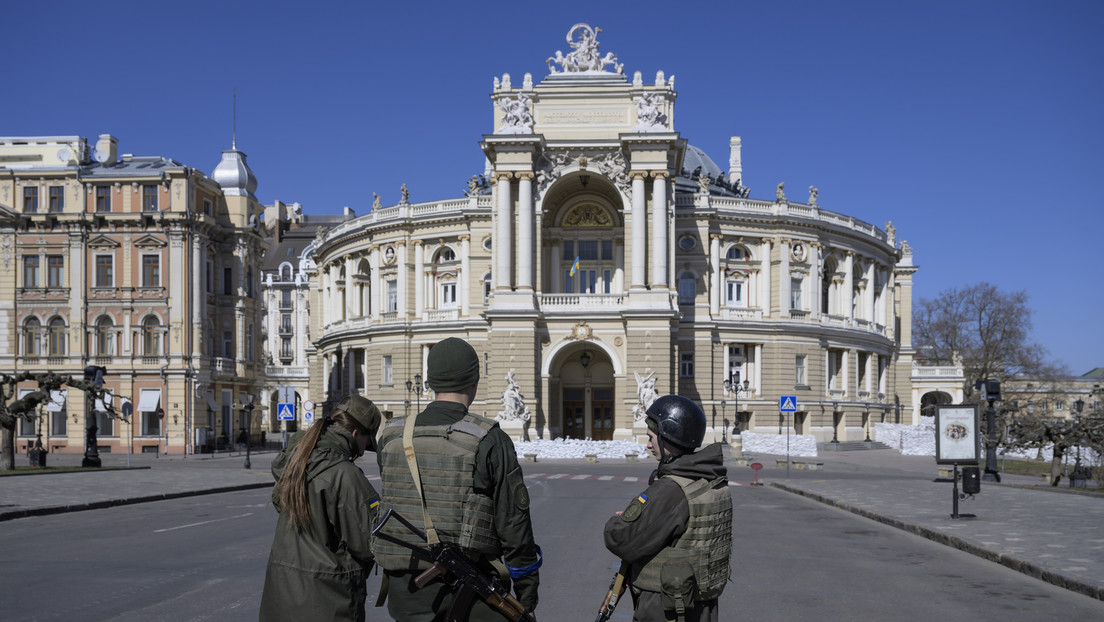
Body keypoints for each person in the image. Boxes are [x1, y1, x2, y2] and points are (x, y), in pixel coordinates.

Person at [373, 337, 541, 620]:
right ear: (474, 380)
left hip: (404, 596)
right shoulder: (489, 439)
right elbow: (514, 525)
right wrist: (526, 594)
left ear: (430, 382)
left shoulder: (391, 436)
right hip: (470, 595)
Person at [604, 395, 732, 622]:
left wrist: (621, 520)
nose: (648, 444)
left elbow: (621, 538)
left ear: (669, 437)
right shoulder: (710, 480)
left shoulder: (671, 490)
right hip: (701, 606)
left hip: (665, 610)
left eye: (652, 437)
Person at [259, 395, 383, 622]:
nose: (364, 451)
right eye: (367, 441)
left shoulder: (299, 459)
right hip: (328, 600)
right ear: (356, 433)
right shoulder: (344, 474)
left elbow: (281, 505)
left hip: (281, 594)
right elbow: (368, 544)